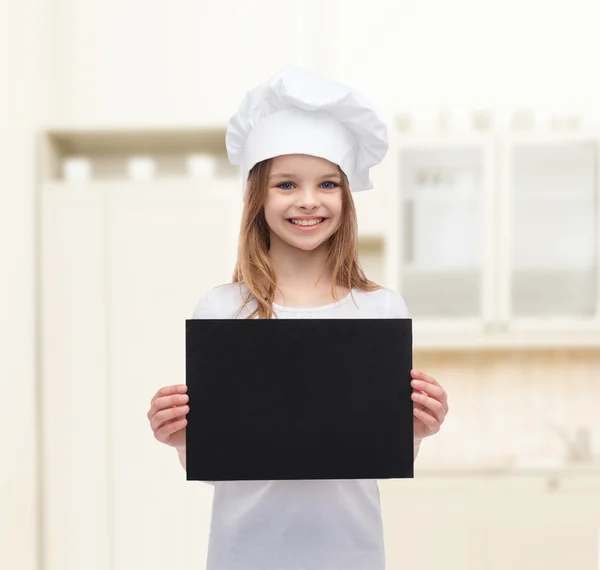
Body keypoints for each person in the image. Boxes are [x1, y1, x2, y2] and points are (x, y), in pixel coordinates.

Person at [147, 65, 449, 570]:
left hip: (350, 552)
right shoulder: (222, 309)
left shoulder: (381, 309)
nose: (308, 201)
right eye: (286, 184)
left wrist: (418, 429)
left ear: (345, 197)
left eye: (327, 183)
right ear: (258, 198)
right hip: (245, 552)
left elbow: (376, 454)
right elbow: (219, 466)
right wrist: (182, 439)